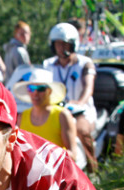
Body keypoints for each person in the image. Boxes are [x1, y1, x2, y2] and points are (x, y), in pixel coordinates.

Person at [43, 22, 99, 172]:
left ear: (73, 44)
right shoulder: (48, 64)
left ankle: (94, 168)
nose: (61, 48)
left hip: (81, 111)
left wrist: (80, 102)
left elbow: (88, 87)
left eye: (65, 44)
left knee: (81, 130)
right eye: (58, 44)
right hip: (57, 110)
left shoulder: (85, 63)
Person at [12, 67, 81, 164]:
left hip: (56, 174)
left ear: (49, 91)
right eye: (31, 88)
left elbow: (73, 155)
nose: (35, 93)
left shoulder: (62, 115)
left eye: (40, 89)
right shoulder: (22, 117)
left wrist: (47, 157)